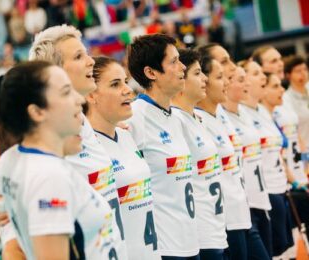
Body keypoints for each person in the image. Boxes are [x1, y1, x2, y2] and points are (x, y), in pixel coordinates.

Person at [0, 24, 127, 259]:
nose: (91, 61)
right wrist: (5, 208)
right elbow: (15, 243)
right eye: (79, 56)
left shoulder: (82, 122)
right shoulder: (41, 153)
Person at [127, 34, 200, 259]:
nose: (182, 67)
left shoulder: (177, 117)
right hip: (165, 247)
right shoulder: (135, 117)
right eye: (174, 62)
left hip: (191, 240)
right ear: (151, 73)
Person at [86, 56, 160, 259]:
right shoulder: (84, 148)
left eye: (125, 82)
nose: (128, 90)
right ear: (91, 95)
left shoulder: (127, 134)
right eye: (115, 84)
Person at [196, 44, 252, 260]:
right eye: (224, 62)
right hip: (223, 220)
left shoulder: (220, 112)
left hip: (242, 209)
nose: (231, 68)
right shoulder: (198, 118)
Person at [171, 49, 228, 259]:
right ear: (181, 80)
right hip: (200, 234)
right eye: (197, 73)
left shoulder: (195, 118)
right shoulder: (176, 120)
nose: (204, 78)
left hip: (216, 226)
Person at [241, 66, 294, 257]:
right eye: (255, 74)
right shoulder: (241, 113)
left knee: (286, 249)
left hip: (279, 188)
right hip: (262, 194)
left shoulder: (263, 112)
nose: (262, 77)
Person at [223, 65, 272, 259]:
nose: (248, 83)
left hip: (260, 197)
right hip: (240, 207)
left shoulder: (247, 113)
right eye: (241, 79)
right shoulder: (220, 115)